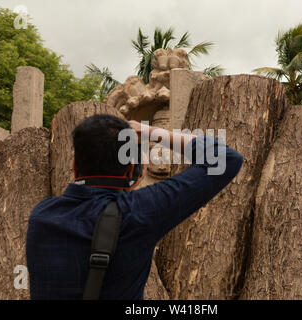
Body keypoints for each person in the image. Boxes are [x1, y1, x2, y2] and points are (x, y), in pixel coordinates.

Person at [26, 114, 243, 300]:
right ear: (131, 170)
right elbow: (225, 159)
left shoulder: (41, 215)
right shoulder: (136, 214)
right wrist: (147, 131)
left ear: (74, 166)